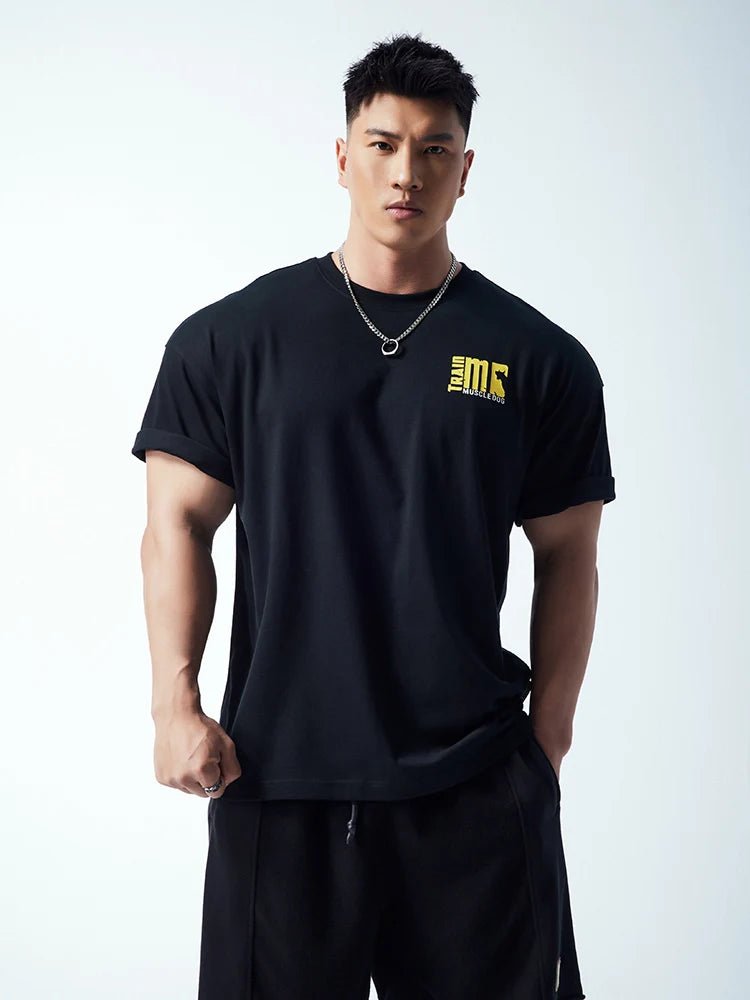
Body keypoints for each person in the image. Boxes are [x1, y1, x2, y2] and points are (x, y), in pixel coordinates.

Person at [131, 31, 615, 1000]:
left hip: (474, 781)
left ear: (465, 170)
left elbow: (569, 551)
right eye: (384, 144)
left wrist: (548, 741)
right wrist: (174, 705)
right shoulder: (231, 340)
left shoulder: (540, 358)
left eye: (435, 149)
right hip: (279, 778)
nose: (407, 173)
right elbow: (177, 521)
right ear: (342, 156)